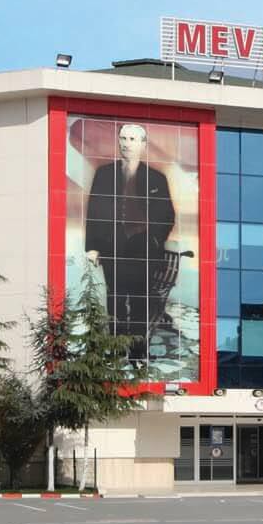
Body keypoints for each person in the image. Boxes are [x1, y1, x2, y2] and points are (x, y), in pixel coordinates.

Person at [81, 122, 179, 361]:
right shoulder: (104, 174)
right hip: (113, 245)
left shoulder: (156, 178)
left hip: (143, 248)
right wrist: (92, 247)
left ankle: (137, 352)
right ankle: (115, 349)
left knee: (139, 301)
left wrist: (154, 240)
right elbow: (94, 211)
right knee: (115, 297)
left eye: (132, 140)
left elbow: (167, 215)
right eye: (123, 139)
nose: (126, 144)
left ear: (143, 145)